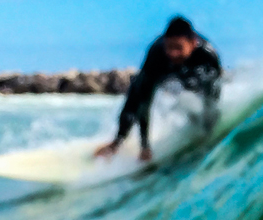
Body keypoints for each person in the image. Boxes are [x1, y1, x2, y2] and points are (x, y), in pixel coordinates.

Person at [95, 16, 222, 162]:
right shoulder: (157, 53)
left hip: (192, 75)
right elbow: (144, 103)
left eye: (178, 48)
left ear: (193, 43)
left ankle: (202, 137)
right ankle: (117, 143)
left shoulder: (208, 56)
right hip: (163, 72)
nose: (173, 53)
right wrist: (145, 146)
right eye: (169, 47)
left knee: (200, 104)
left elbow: (213, 98)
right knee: (136, 95)